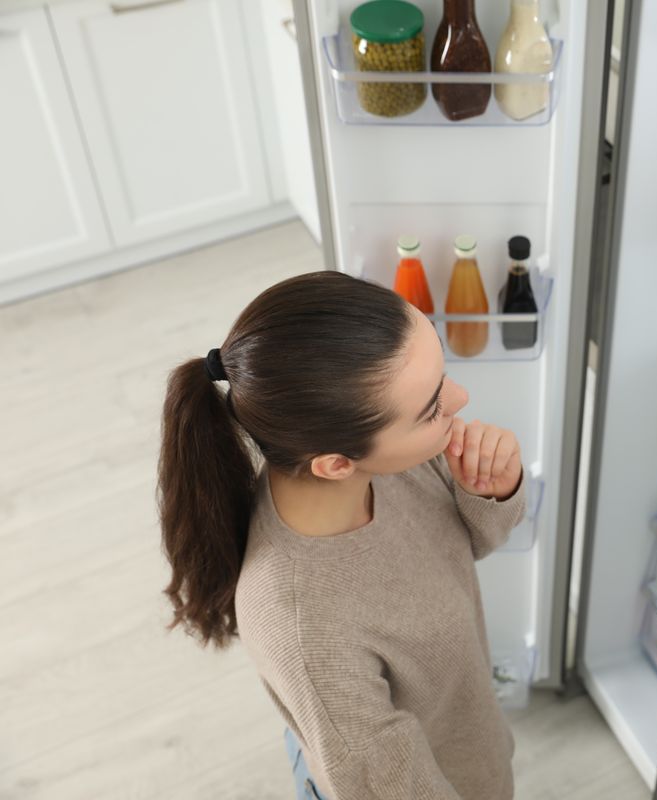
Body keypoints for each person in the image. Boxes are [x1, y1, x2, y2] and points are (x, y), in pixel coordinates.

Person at [157, 271, 525, 799]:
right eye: (431, 408)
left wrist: (491, 489)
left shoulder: (393, 461)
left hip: (466, 746)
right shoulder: (307, 631)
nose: (461, 398)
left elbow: (467, 544)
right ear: (334, 464)